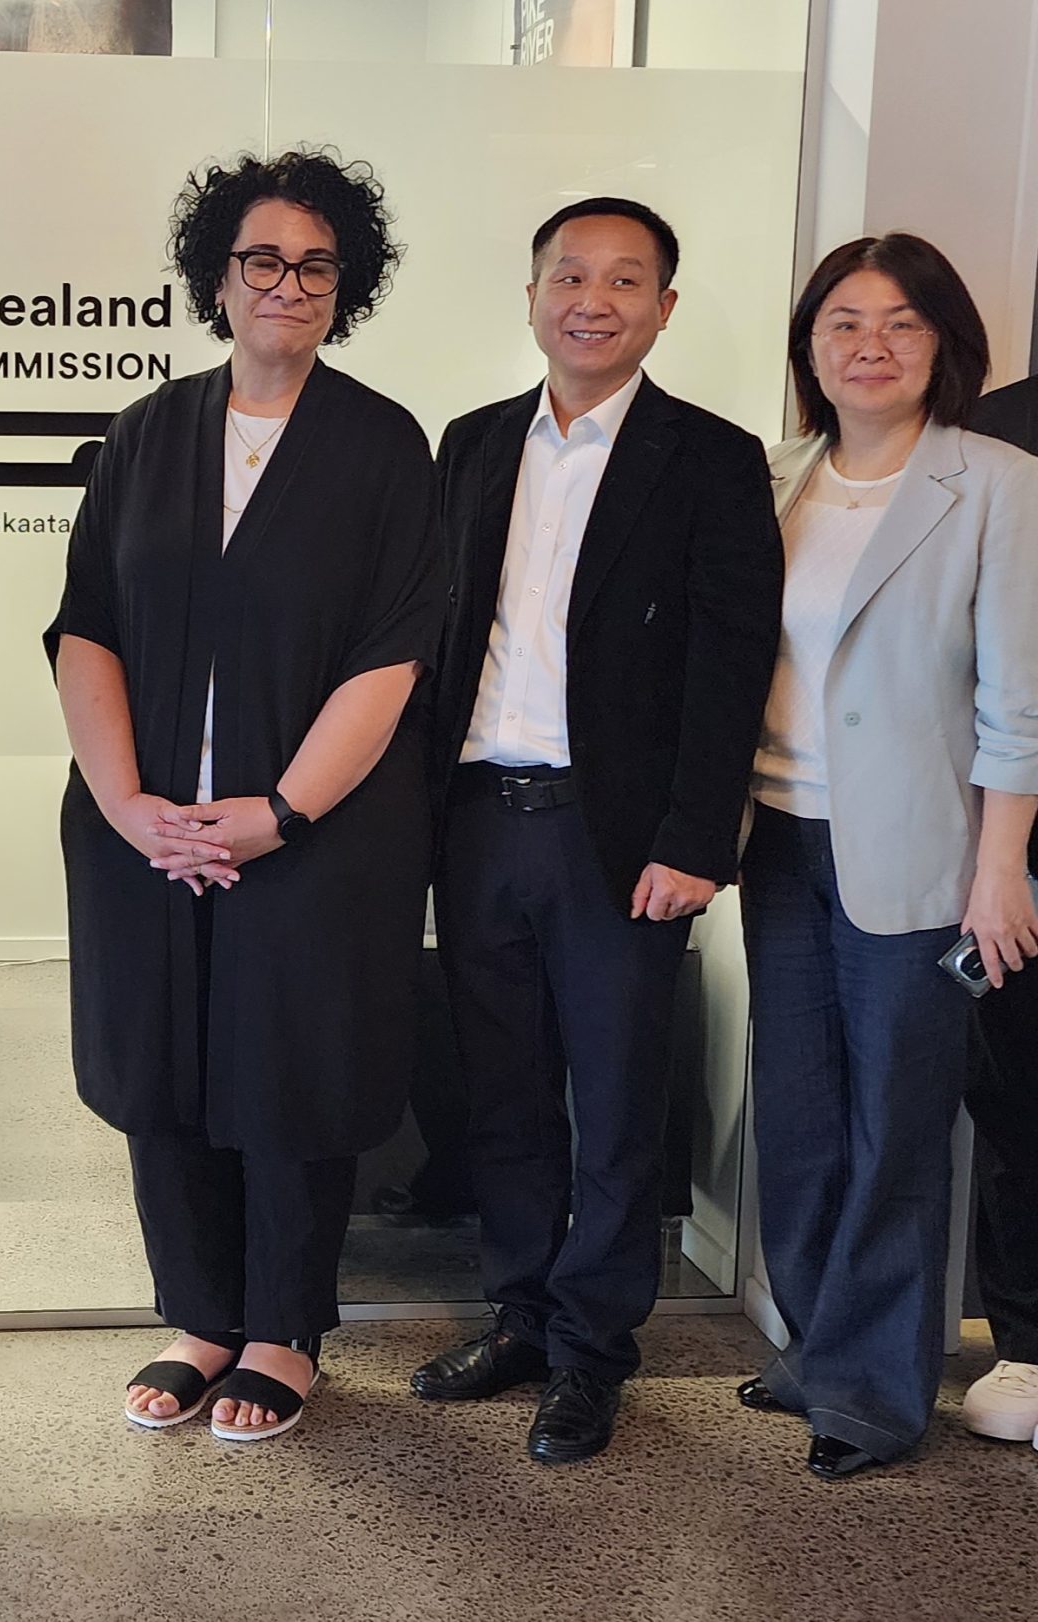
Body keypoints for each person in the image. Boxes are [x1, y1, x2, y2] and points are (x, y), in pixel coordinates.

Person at [47, 150, 440, 1443]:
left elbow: (394, 652)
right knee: (162, 1064)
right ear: (217, 277)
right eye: (262, 259)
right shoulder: (148, 432)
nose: (288, 283)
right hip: (146, 824)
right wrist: (128, 806)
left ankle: (282, 1328)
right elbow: (88, 625)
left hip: (313, 831)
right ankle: (199, 1317)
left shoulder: (383, 445)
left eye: (316, 265)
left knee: (289, 1070)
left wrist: (278, 812)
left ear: (346, 286)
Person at [412, 198, 782, 1463]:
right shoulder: (469, 444)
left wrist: (695, 837)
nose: (592, 300)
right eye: (569, 275)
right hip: (477, 817)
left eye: (625, 280)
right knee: (501, 1095)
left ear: (662, 309)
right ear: (531, 297)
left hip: (614, 835)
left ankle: (591, 1350)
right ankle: (519, 1314)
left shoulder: (711, 457)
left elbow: (730, 663)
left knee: (616, 1104)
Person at [737, 234, 1038, 1478]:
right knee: (799, 1119)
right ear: (809, 345)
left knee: (894, 1125)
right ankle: (819, 1346)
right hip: (778, 841)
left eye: (901, 323)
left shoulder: (997, 483)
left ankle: (870, 1393)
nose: (870, 345)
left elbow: (1018, 702)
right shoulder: (773, 475)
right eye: (843, 322)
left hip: (919, 854)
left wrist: (1000, 869)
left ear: (943, 344)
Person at [961, 371, 1038, 1450]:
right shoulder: (999, 432)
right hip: (1018, 827)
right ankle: (1025, 1340)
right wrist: (995, 857)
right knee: (1020, 1088)